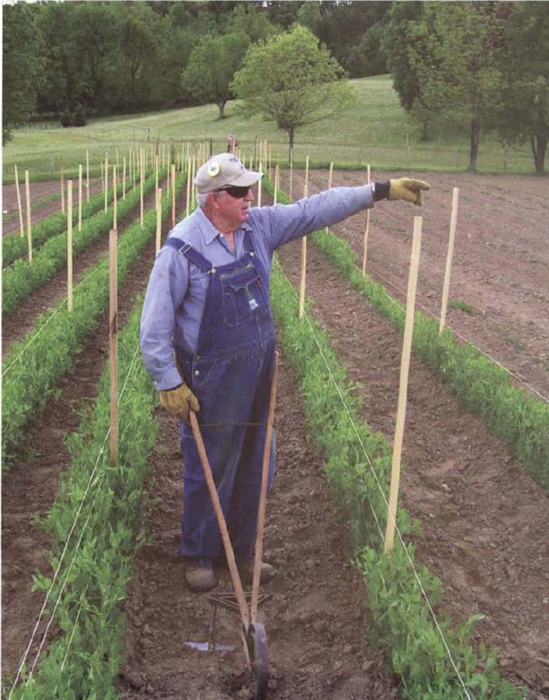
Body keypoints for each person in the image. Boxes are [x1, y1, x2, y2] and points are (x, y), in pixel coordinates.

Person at [140, 152, 430, 592]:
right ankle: (200, 552)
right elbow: (154, 326)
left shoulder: (259, 227)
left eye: (250, 188)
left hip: (258, 371)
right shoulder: (182, 248)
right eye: (240, 192)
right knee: (211, 464)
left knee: (258, 462)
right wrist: (169, 382)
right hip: (212, 378)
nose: (250, 197)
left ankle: (242, 551)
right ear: (214, 199)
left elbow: (314, 209)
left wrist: (380, 191)